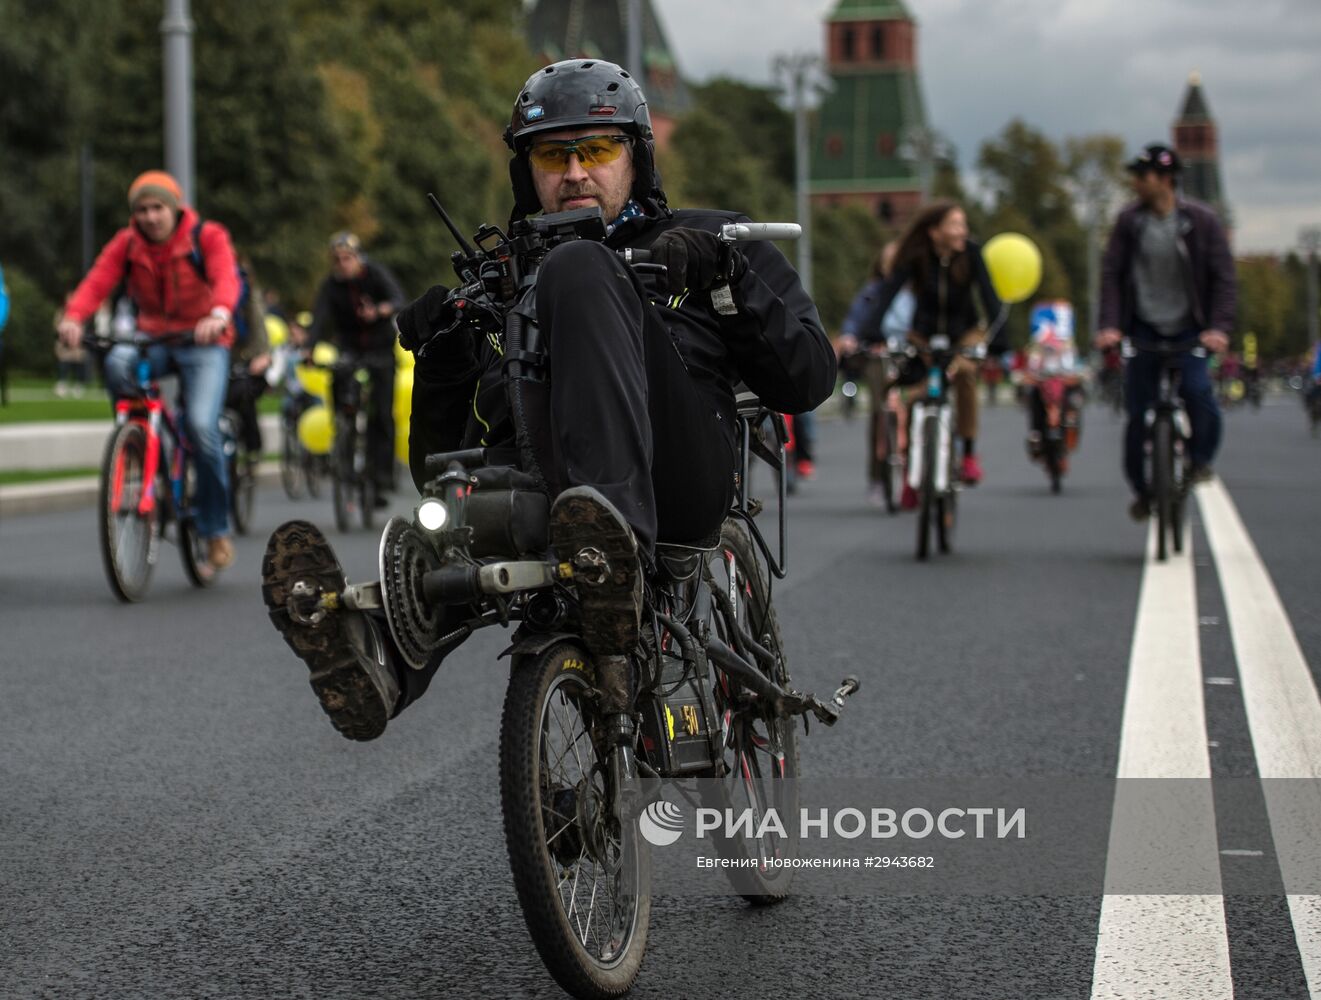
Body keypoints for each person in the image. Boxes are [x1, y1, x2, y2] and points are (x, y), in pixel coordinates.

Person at [262, 58, 835, 742]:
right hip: (550, 497)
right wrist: (443, 355)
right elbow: (441, 468)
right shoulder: (502, 278)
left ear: (637, 155)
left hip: (679, 479)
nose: (574, 173)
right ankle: (379, 656)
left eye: (595, 150)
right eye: (551, 155)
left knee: (577, 266)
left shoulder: (709, 240)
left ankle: (612, 535)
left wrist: (728, 281)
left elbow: (807, 379)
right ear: (526, 171)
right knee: (461, 516)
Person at [58, 170, 240, 569]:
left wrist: (219, 313)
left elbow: (227, 277)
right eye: (141, 210)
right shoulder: (127, 244)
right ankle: (139, 439)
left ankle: (214, 530)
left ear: (173, 209)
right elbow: (96, 281)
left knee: (201, 427)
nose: (150, 217)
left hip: (203, 341)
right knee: (118, 362)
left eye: (157, 208)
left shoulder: (207, 236)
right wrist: (73, 317)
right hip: (153, 338)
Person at [1094, 143, 1236, 520]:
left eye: (1143, 176)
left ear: (1166, 179)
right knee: (1137, 413)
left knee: (1198, 393)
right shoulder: (1130, 222)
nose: (1136, 183)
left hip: (1190, 330)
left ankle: (1199, 460)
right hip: (1142, 327)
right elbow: (1111, 276)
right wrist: (1109, 326)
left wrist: (1219, 328)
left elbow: (1224, 279)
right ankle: (1141, 490)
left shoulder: (1202, 221)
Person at [854, 201, 1004, 495]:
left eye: (964, 224)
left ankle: (969, 453)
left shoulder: (971, 254)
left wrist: (1000, 341)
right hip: (922, 335)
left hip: (965, 333)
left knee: (964, 374)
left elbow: (989, 297)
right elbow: (887, 293)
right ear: (935, 232)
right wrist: (870, 332)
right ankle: (915, 469)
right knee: (916, 395)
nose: (963, 231)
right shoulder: (916, 256)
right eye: (956, 224)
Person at [307, 232, 406, 504]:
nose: (342, 264)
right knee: (339, 389)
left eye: (347, 258)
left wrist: (381, 311)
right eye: (337, 260)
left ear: (357, 257)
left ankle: (382, 474)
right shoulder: (331, 285)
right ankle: (344, 445)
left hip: (380, 349)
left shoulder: (374, 274)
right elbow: (319, 318)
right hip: (350, 349)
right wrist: (309, 348)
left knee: (381, 412)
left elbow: (398, 299)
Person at [837, 241, 915, 506]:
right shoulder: (873, 292)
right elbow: (856, 319)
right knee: (879, 413)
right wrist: (850, 337)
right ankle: (878, 478)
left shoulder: (916, 292)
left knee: (919, 405)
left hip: (912, 354)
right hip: (879, 355)